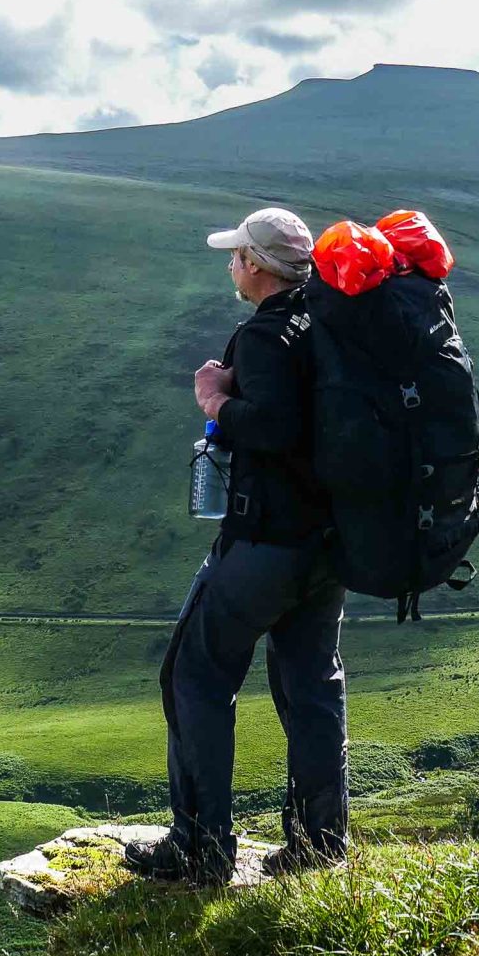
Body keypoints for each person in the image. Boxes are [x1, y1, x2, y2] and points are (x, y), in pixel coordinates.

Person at [124, 207, 350, 887]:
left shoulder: (266, 335)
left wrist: (216, 401)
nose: (230, 264)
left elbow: (275, 428)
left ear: (255, 265)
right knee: (312, 684)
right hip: (329, 546)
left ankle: (201, 849)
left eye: (236, 255)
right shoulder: (328, 321)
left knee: (194, 675)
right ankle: (319, 846)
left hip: (266, 544)